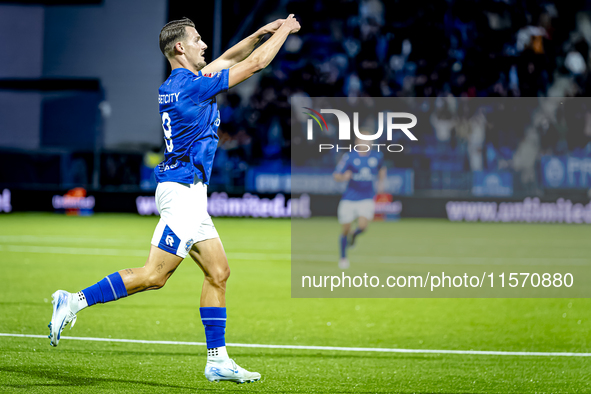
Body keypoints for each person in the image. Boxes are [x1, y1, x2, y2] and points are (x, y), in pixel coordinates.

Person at [48, 15, 300, 384]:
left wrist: (262, 31)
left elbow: (230, 57)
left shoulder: (180, 84)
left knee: (218, 272)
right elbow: (256, 63)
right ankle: (72, 300)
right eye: (197, 39)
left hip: (189, 192)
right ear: (180, 47)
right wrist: (283, 31)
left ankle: (217, 360)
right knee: (154, 276)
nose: (204, 45)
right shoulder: (192, 87)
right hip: (182, 192)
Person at [333, 135, 386, 269]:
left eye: (369, 140)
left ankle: (354, 235)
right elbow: (336, 175)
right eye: (363, 140)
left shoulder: (377, 156)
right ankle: (343, 257)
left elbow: (382, 169)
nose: (366, 143)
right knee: (344, 229)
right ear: (357, 142)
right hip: (349, 198)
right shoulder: (349, 157)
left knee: (363, 226)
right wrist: (343, 177)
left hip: (366, 198)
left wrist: (381, 183)